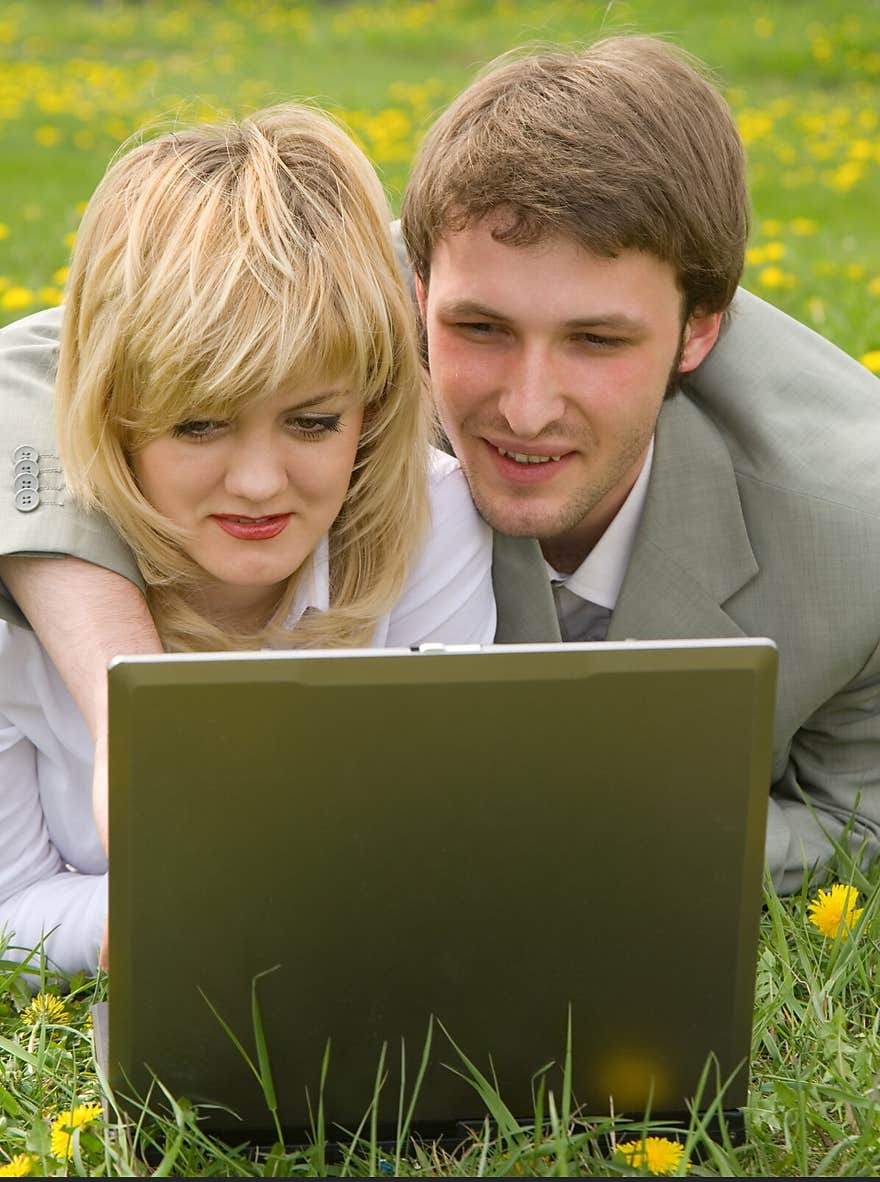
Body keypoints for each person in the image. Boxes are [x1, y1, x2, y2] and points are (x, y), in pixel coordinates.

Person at [1, 35, 878, 900]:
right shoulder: (349, 296)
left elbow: (855, 816)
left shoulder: (855, 533)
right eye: (480, 329)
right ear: (415, 293)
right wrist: (132, 711)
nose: (526, 409)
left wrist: (576, 842)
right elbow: (41, 369)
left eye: (596, 341)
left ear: (700, 329)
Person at [0, 104, 495, 980]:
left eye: (312, 422)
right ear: (115, 415)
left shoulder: (432, 520)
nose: (261, 481)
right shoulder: (23, 600)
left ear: (370, 407)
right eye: (199, 426)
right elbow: (10, 904)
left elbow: (440, 840)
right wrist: (145, 918)